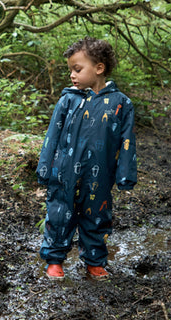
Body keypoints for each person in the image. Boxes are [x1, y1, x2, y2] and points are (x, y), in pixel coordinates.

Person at [36, 37, 137, 280]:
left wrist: (126, 174)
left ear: (99, 68)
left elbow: (127, 141)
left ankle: (94, 261)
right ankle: (54, 260)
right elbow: (52, 135)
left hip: (100, 176)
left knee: (97, 217)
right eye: (70, 69)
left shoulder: (121, 104)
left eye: (77, 69)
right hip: (64, 173)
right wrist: (44, 167)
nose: (72, 75)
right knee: (59, 215)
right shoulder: (68, 100)